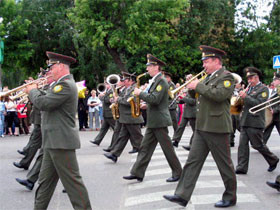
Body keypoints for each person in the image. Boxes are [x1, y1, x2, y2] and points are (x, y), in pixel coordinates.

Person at [164, 45, 237, 208]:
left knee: (224, 165)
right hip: (202, 126)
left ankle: (230, 196)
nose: (203, 65)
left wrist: (198, 86)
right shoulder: (208, 77)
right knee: (192, 162)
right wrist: (190, 88)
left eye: (206, 61)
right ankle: (182, 195)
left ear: (216, 61)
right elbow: (199, 95)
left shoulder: (227, 77)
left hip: (217, 128)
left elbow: (219, 95)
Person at [24, 51, 91, 210]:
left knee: (73, 184)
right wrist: (34, 89)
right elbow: (46, 98)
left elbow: (45, 103)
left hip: (61, 142)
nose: (49, 71)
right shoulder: (57, 85)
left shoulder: (66, 85)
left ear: (60, 66)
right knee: (44, 183)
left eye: (51, 66)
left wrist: (32, 91)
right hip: (52, 141)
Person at [123, 54, 182, 183]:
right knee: (145, 147)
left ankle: (178, 172)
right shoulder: (155, 81)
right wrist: (146, 104)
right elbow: (154, 100)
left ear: (156, 67)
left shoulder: (161, 81)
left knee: (167, 149)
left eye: (149, 66)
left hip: (159, 121)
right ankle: (137, 172)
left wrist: (140, 93)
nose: (147, 69)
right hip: (154, 120)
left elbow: (155, 99)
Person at [235, 67, 279, 174]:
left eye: (251, 79)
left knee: (257, 145)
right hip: (245, 121)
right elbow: (242, 105)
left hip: (255, 122)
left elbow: (259, 104)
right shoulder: (248, 89)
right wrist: (239, 99)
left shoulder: (263, 89)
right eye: (248, 79)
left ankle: (273, 159)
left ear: (257, 77)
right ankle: (241, 167)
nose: (249, 81)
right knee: (242, 146)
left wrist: (245, 97)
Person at [104, 72, 144, 162]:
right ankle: (114, 154)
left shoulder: (135, 89)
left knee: (139, 138)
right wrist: (115, 99)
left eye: (125, 79)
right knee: (122, 137)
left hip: (132, 117)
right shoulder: (127, 89)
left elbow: (129, 101)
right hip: (126, 118)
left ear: (130, 81)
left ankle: (145, 154)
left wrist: (117, 99)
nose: (123, 81)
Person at [263, 73, 280, 144]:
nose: (273, 82)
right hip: (273, 115)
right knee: (267, 129)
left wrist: (275, 110)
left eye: (275, 80)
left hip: (278, 116)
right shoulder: (275, 90)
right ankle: (261, 144)